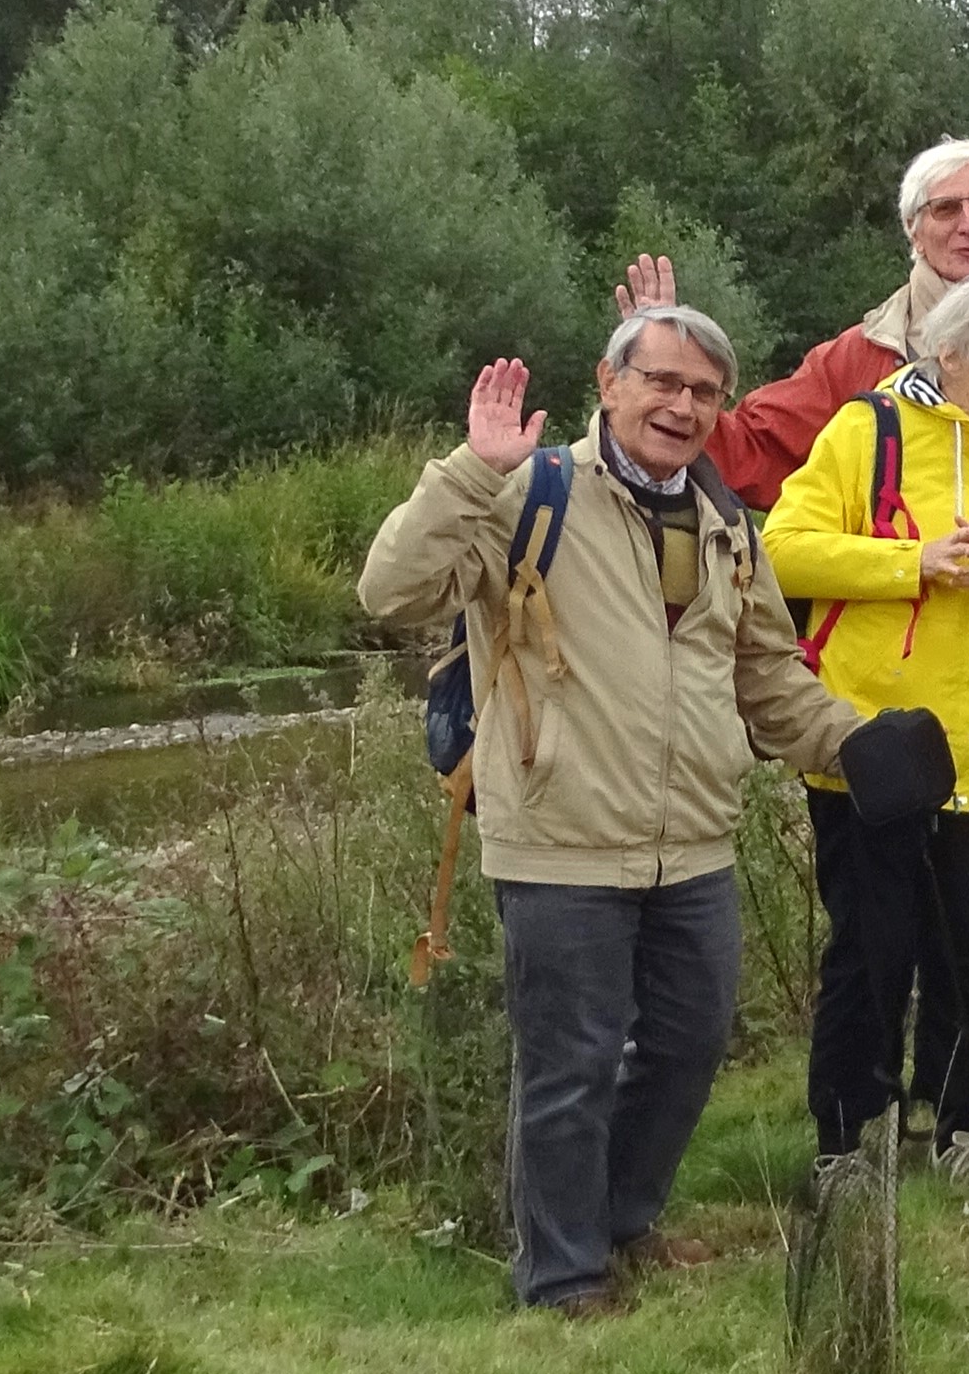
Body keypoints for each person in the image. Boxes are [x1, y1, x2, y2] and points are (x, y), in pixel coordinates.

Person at [354, 302, 921, 1315]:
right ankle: (562, 1275)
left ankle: (620, 1221)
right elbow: (388, 590)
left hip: (691, 840)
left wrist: (853, 741)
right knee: (569, 1064)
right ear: (609, 384)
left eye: (703, 391)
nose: (681, 404)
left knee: (688, 1042)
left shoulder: (725, 528)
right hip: (560, 836)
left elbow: (766, 682)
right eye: (660, 381)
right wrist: (470, 470)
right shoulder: (530, 493)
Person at [695, 140, 969, 1083]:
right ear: (913, 229)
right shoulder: (860, 363)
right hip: (901, 668)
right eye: (947, 210)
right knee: (898, 895)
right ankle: (865, 1105)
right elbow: (744, 453)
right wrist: (671, 367)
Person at [763, 273, 969, 1186]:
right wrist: (922, 561)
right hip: (875, 743)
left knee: (961, 950)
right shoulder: (868, 430)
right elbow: (784, 548)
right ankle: (846, 1141)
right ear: (951, 356)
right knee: (871, 949)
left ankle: (955, 1130)